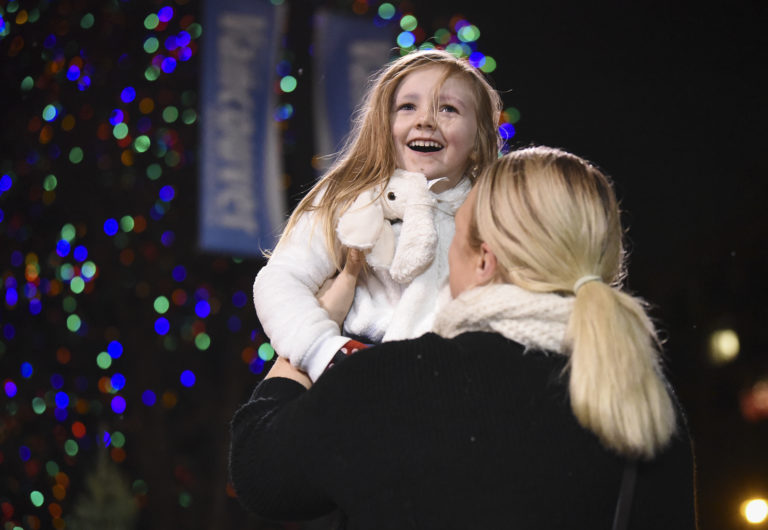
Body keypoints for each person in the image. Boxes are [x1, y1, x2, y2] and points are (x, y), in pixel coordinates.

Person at [230, 146, 698, 528]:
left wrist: (311, 325)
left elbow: (261, 472)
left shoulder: (396, 381)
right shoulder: (648, 404)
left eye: (452, 241)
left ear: (483, 261)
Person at [253, 49, 503, 381]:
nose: (425, 120)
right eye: (407, 107)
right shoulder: (348, 197)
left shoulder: (496, 212)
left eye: (448, 109)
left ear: (479, 136)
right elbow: (281, 279)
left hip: (457, 386)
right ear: (384, 126)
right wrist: (322, 350)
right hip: (360, 378)